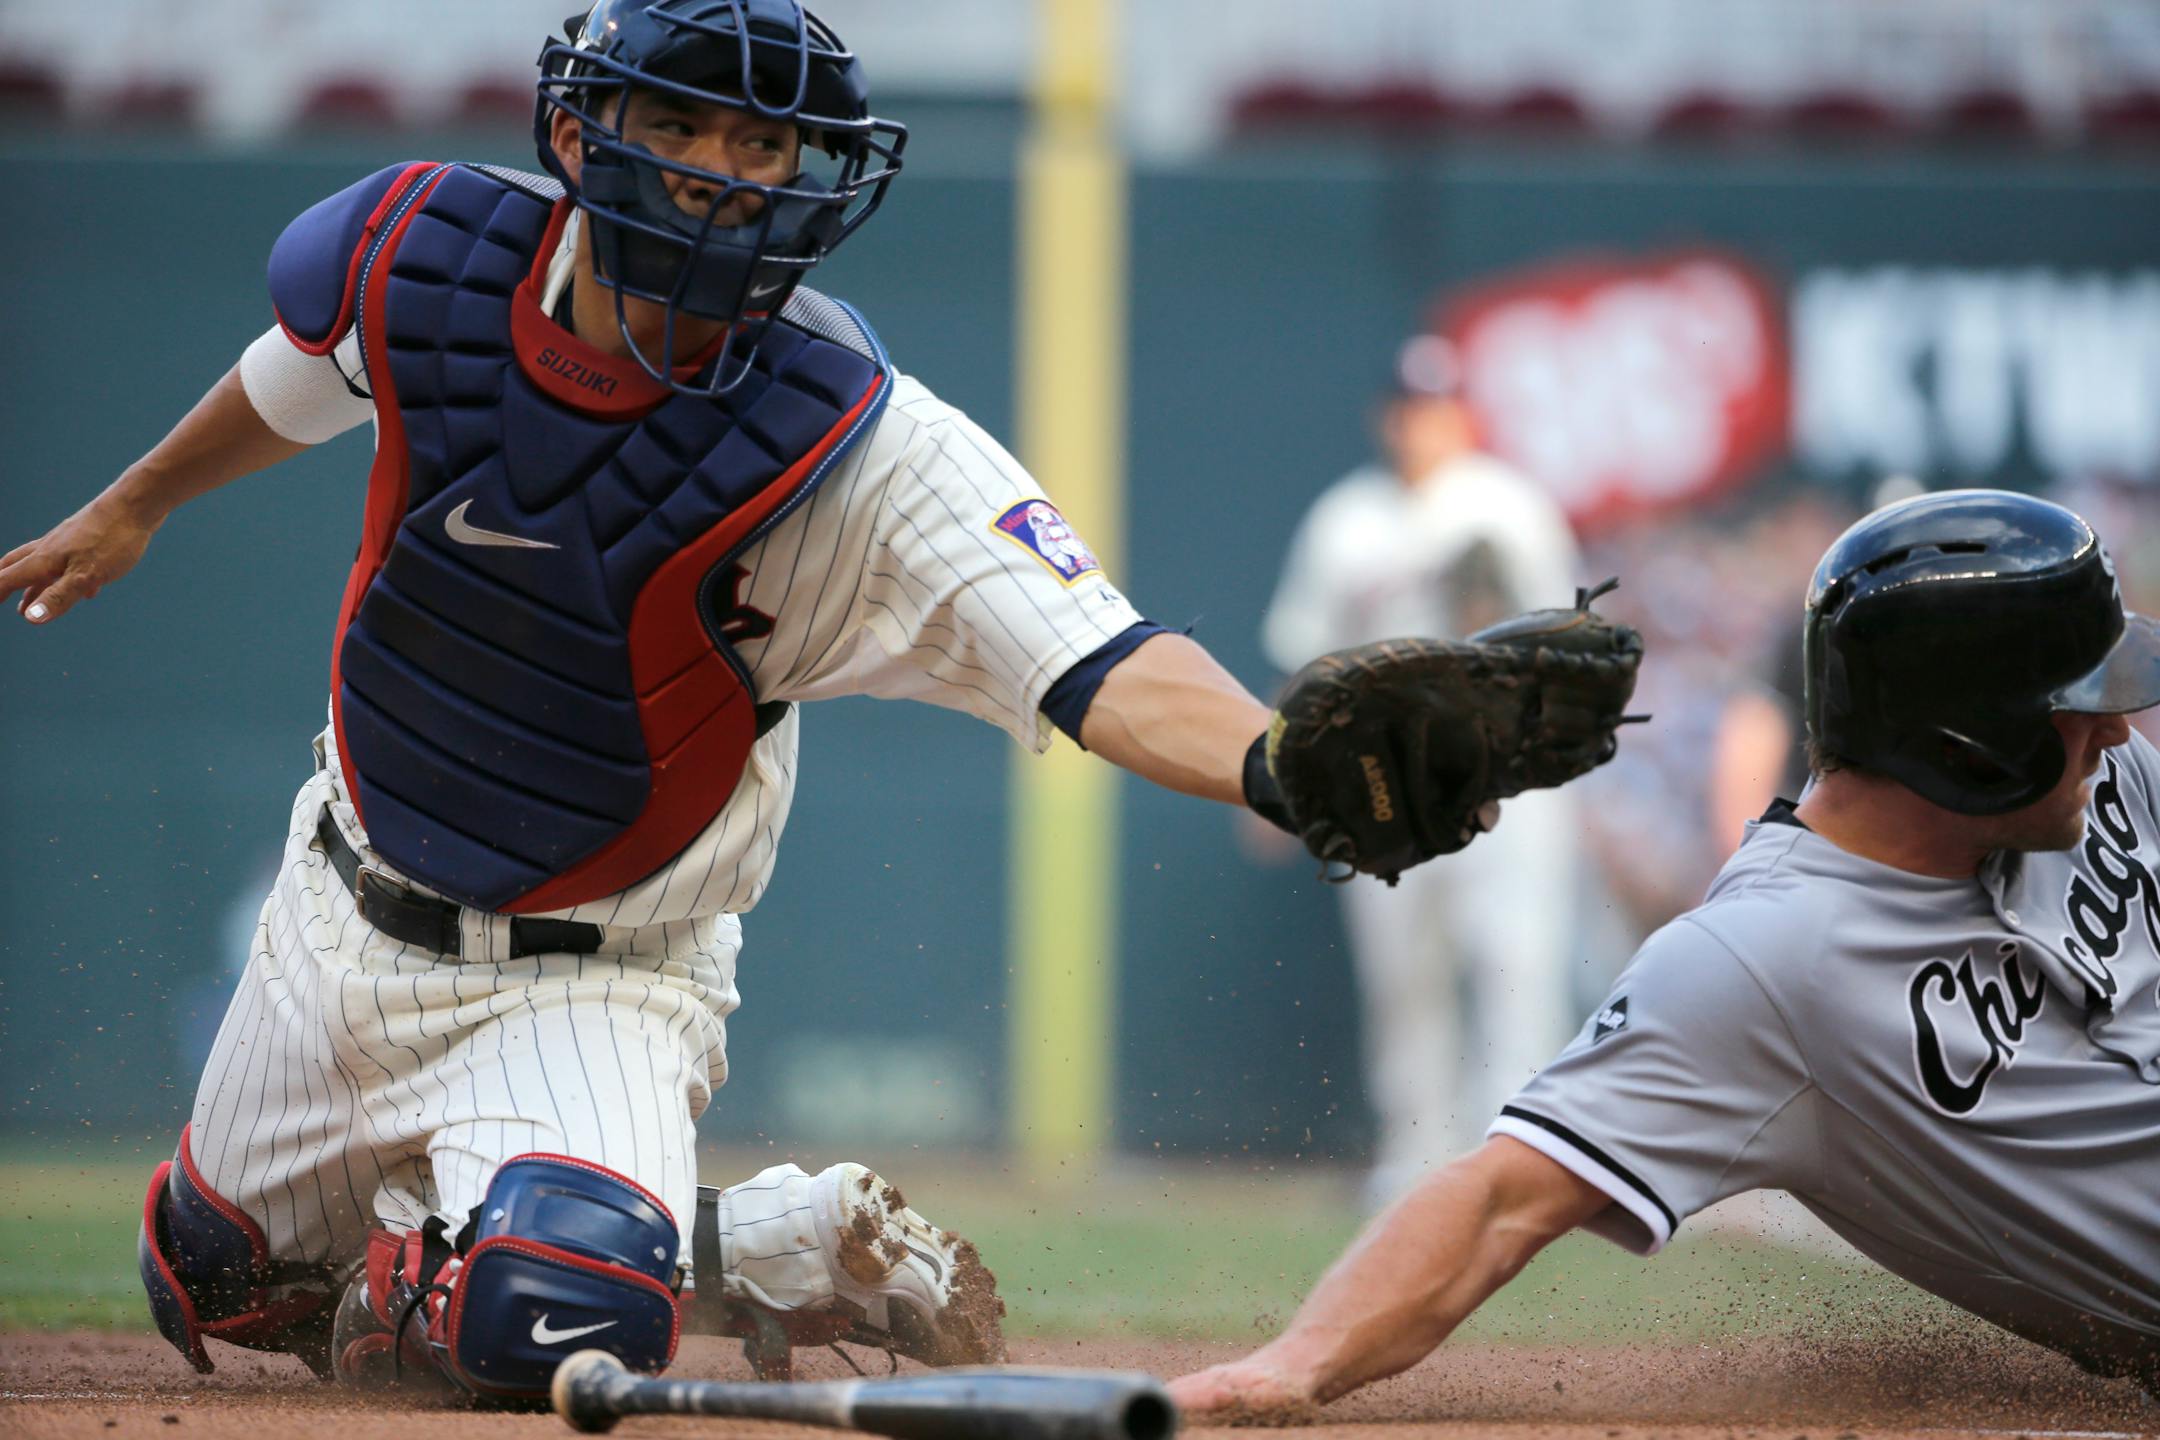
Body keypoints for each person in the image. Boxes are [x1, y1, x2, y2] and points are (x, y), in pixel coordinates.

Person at [0, 0, 1521, 1403]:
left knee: (552, 1312)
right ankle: (758, 1240)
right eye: (686, 126)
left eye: (765, 142)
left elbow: (1101, 661)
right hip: (339, 898)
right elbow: (301, 369)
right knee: (216, 1284)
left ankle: (594, 1230)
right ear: (584, 134)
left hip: (592, 980)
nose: (731, 173)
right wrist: (136, 503)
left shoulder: (851, 441)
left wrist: (1274, 762)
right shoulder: (426, 259)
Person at [1173, 488, 2160, 1419]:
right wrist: (1288, 1366)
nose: (2119, 727)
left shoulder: (2100, 784)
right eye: (2079, 704)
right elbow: (1498, 1202)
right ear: (1971, 742)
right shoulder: (1763, 963)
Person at [1260, 334, 1585, 1202]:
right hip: (1381, 783)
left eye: (1435, 408)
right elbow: (1304, 659)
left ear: (1463, 416)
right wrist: (1270, 776)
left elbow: (1561, 648)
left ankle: (1518, 1160)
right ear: (1385, 417)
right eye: (1407, 409)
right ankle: (1413, 1163)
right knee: (1404, 978)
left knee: (1513, 965)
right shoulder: (1345, 519)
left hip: (1500, 778)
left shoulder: (1512, 507)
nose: (1419, 426)